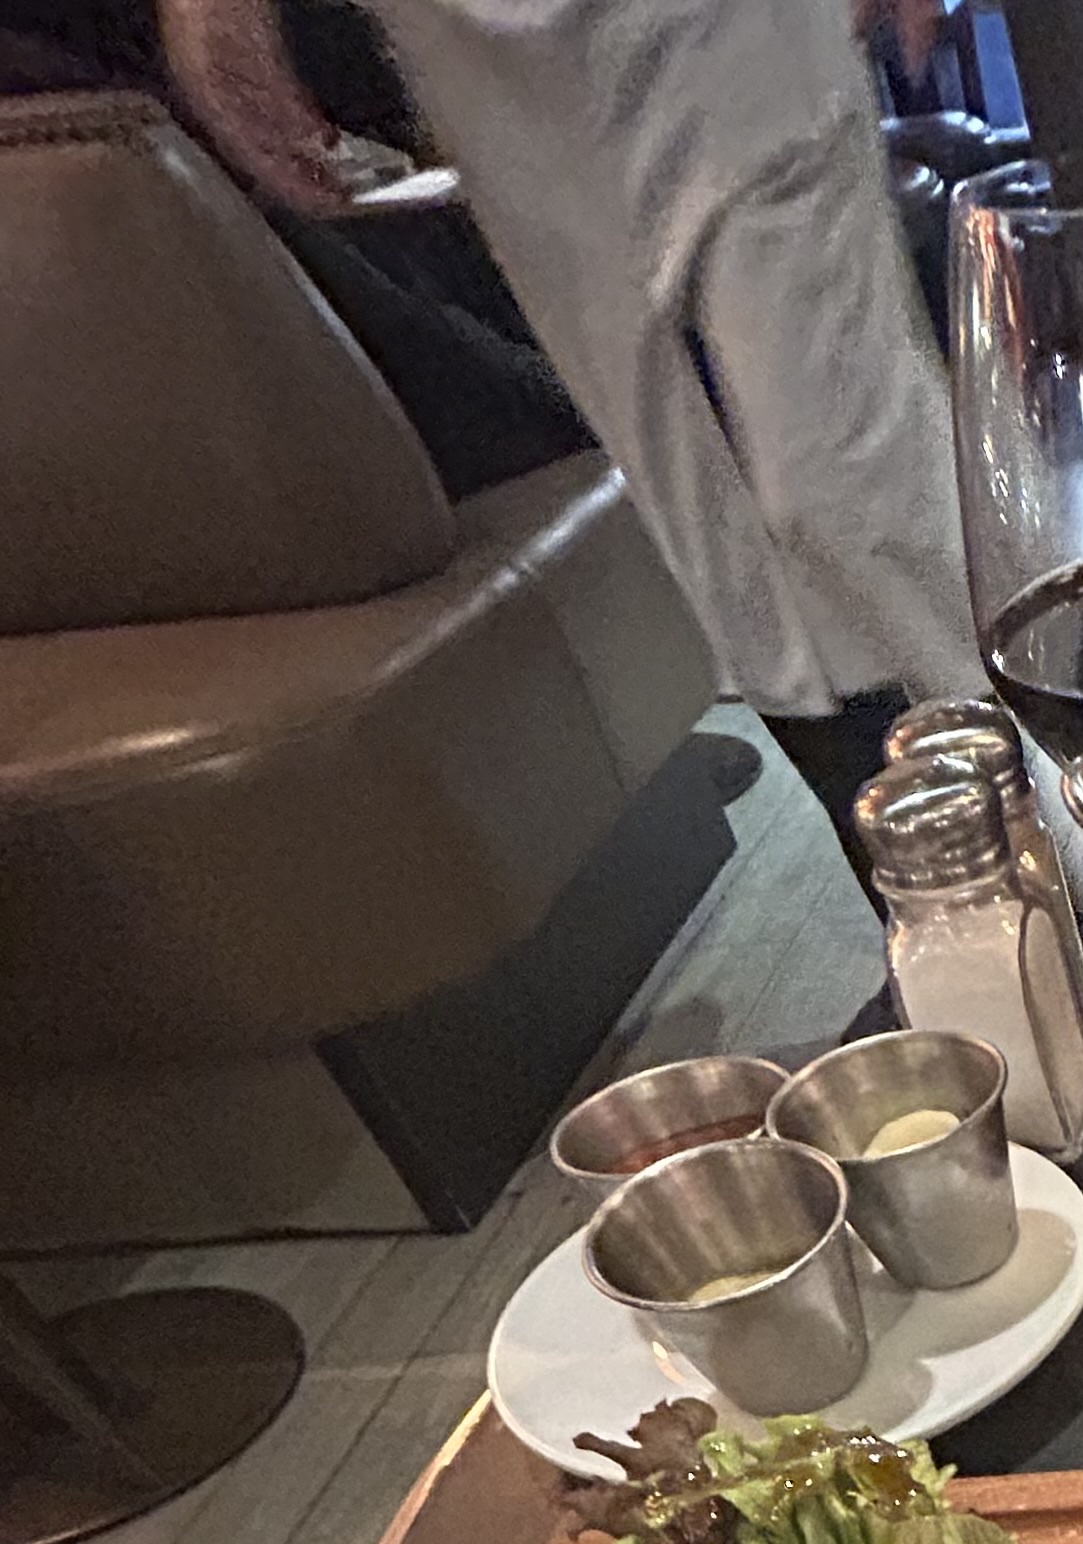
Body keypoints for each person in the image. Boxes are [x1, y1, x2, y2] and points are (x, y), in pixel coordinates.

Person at [159, 0, 986, 883]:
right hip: (479, 49)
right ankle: (936, 907)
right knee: (719, 555)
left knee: (844, 478)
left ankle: (1063, 854)